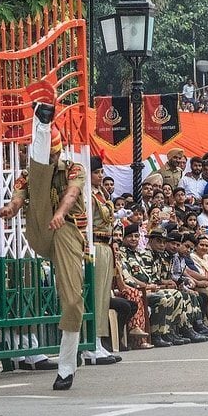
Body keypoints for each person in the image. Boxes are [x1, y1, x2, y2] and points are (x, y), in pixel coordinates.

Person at [0, 102, 87, 390]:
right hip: (38, 228)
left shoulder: (73, 168)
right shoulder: (30, 174)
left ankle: (65, 367)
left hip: (66, 232)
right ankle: (41, 124)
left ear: (58, 152)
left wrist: (60, 213)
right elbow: (18, 197)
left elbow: (72, 194)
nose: (49, 157)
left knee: (72, 300)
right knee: (36, 175)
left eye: (50, 153)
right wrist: (10, 210)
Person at [83, 155, 121, 365]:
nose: (100, 176)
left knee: (104, 296)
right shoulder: (86, 194)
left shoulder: (100, 194)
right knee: (95, 294)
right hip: (94, 244)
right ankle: (90, 343)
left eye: (101, 172)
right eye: (97, 172)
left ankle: (98, 340)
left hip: (106, 245)